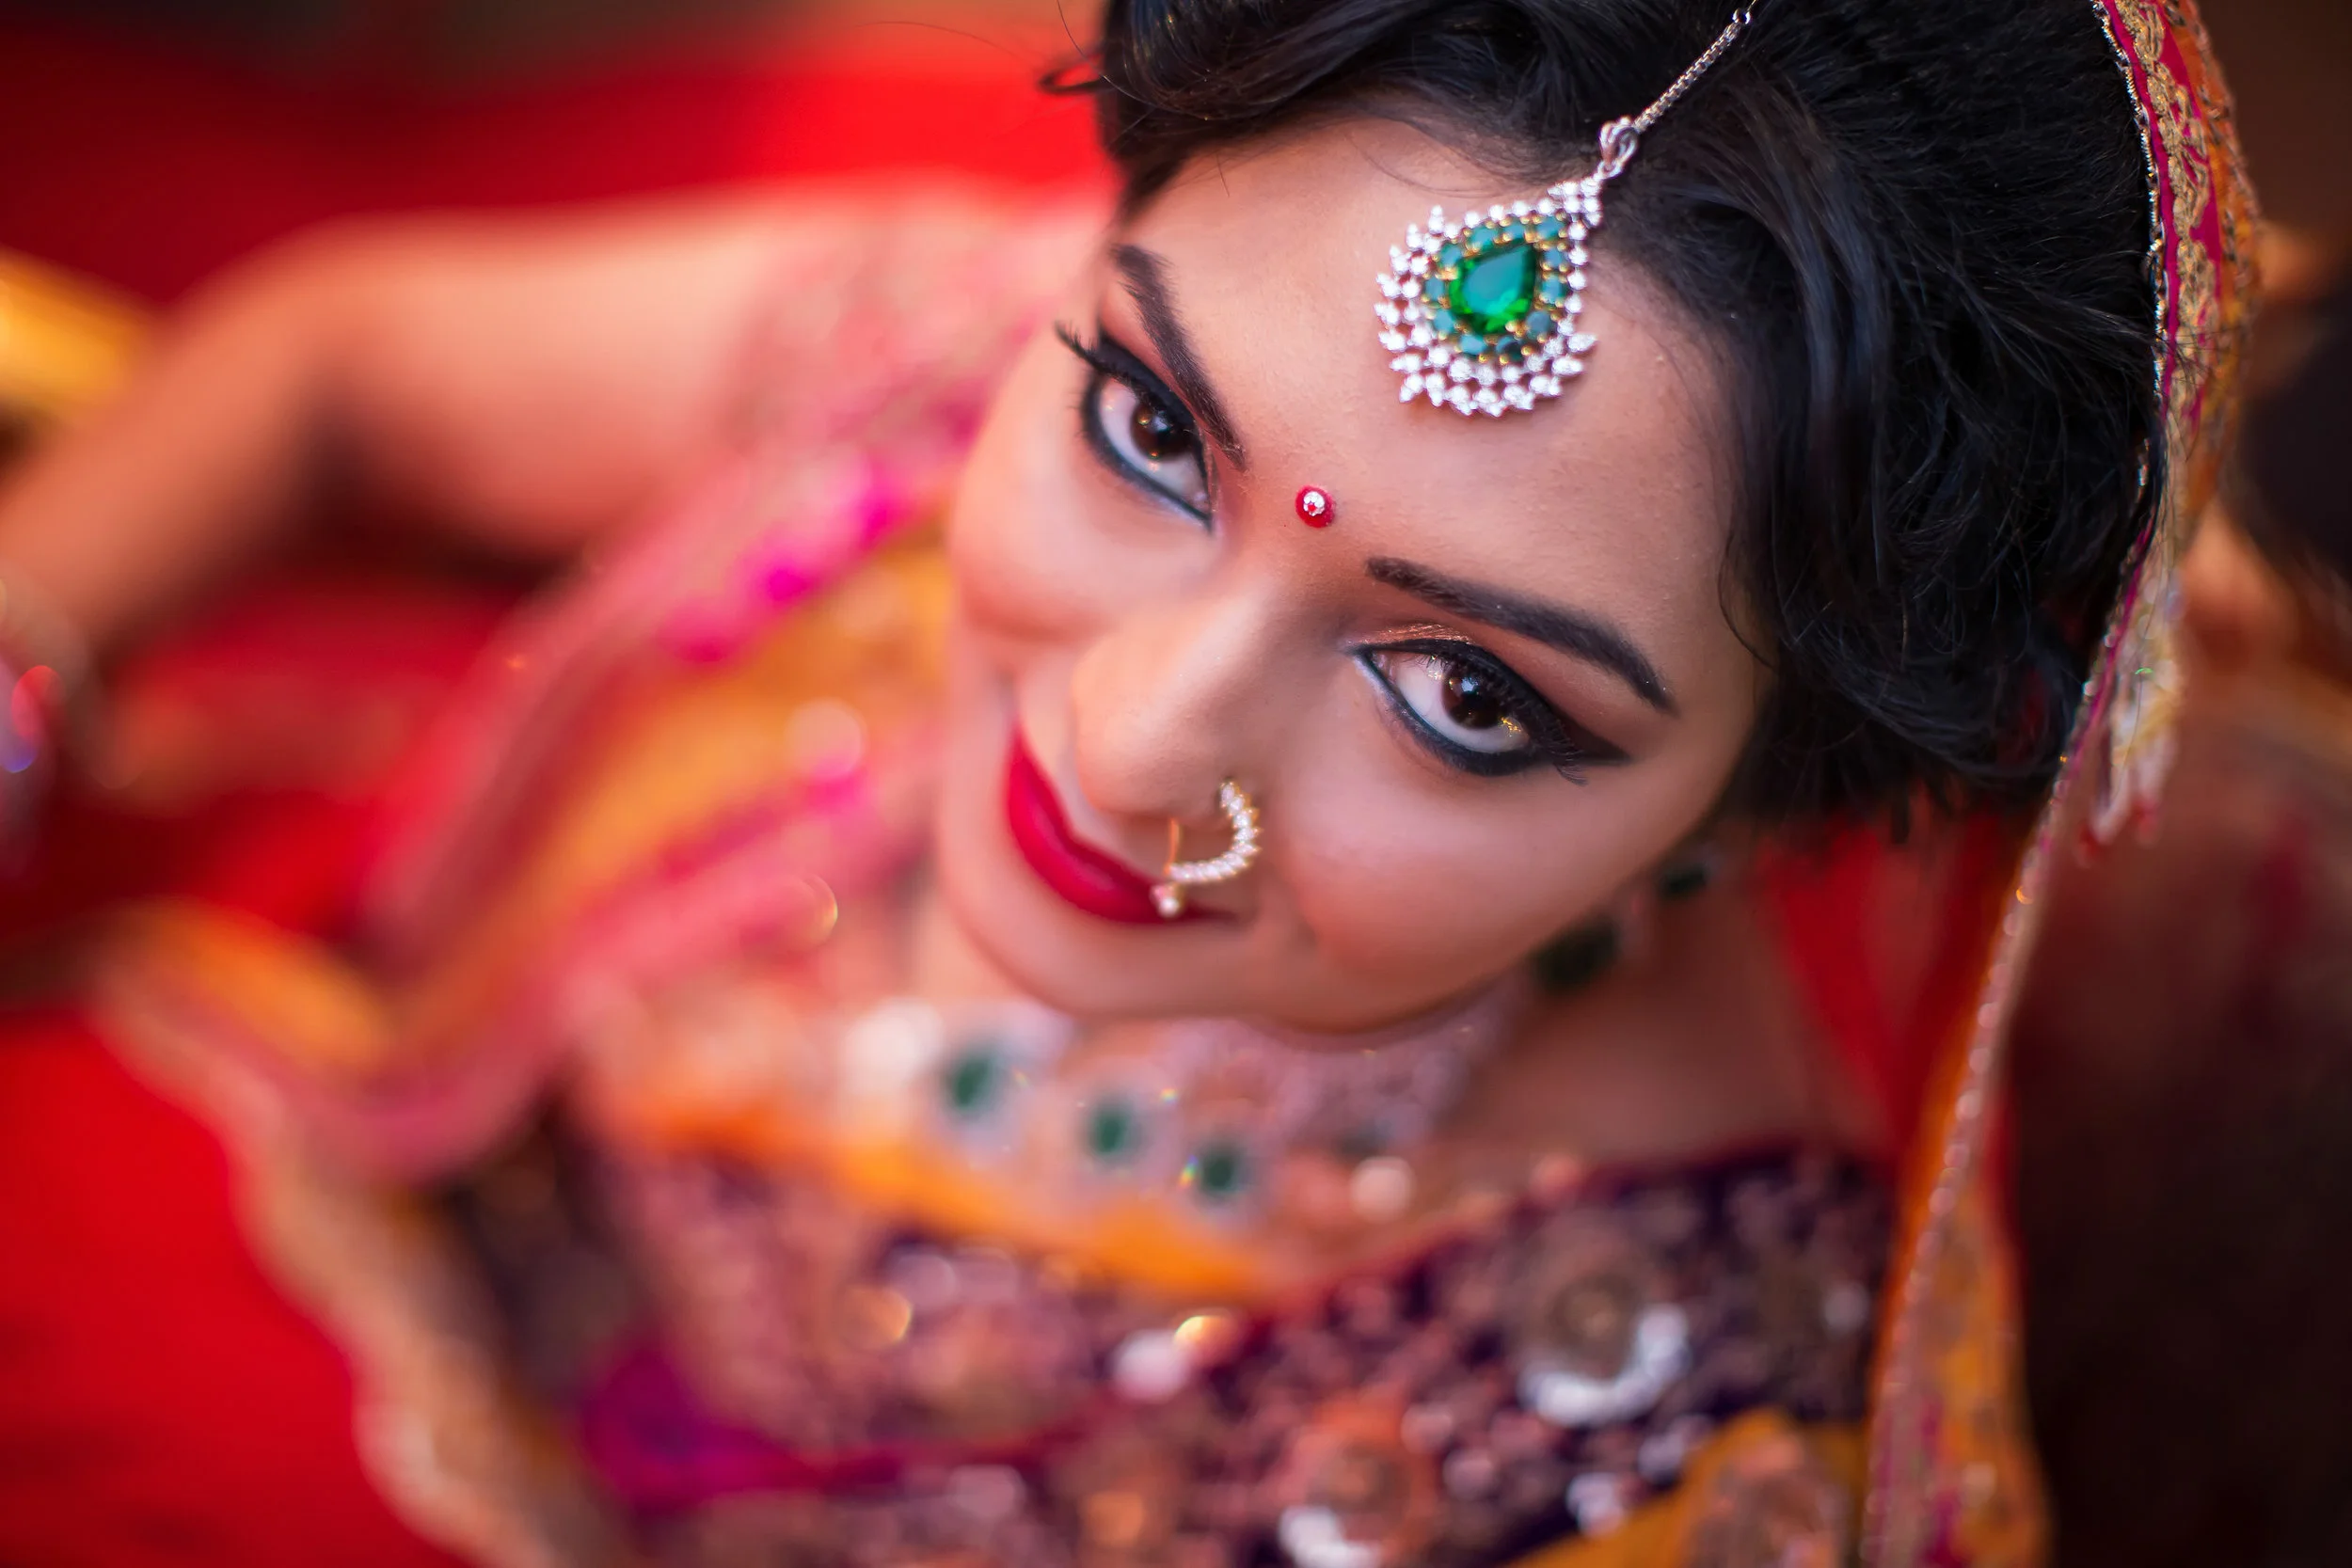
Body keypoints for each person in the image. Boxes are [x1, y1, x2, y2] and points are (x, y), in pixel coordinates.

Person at [0, 0, 2255, 1562]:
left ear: (1760, 795)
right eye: (1157, 435)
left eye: (1466, 696)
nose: (1133, 739)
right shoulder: (963, 351)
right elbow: (340, 365)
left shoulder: (1645, 1431)